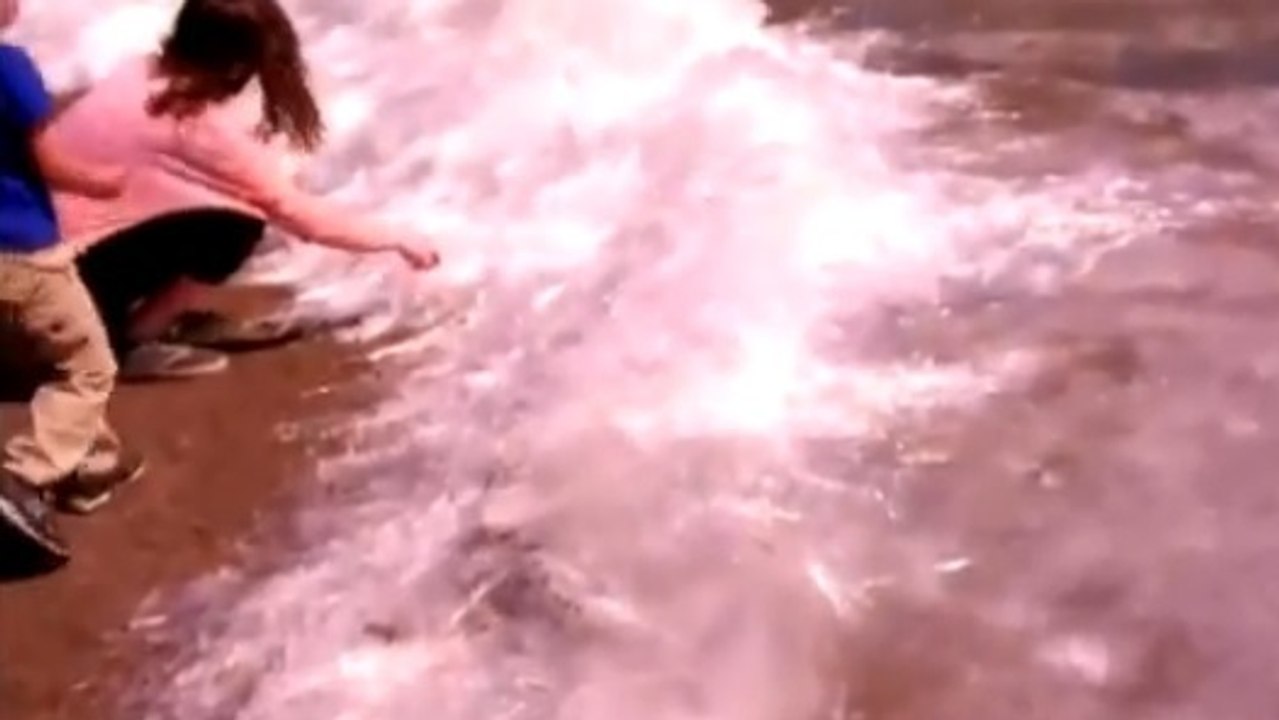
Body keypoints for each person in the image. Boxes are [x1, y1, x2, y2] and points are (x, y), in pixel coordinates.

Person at [47, 0, 440, 381]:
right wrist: (398, 238)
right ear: (235, 66)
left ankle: (114, 320)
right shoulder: (196, 127)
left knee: (214, 203)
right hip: (56, 298)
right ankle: (126, 341)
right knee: (236, 224)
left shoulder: (137, 72)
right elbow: (301, 218)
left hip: (26, 269)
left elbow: (161, 179)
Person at [0, 0, 145, 565]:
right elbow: (52, 162)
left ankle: (90, 466)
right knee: (87, 368)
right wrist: (105, 183)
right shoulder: (9, 66)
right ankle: (22, 475)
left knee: (45, 357)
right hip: (24, 256)